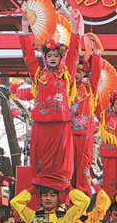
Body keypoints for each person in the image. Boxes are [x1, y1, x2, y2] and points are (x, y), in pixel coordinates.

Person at [19, 10, 81, 190]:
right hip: (41, 121)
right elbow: (28, 57)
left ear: (61, 58)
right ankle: (41, 186)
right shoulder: (38, 73)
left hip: (61, 122)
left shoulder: (67, 73)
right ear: (45, 58)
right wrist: (25, 29)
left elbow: (75, 54)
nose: (53, 58)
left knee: (60, 157)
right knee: (41, 157)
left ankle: (60, 186)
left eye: (56, 56)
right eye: (49, 56)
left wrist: (75, 26)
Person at [70, 47, 102, 193]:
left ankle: (83, 193)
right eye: (74, 71)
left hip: (85, 134)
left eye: (79, 71)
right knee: (66, 166)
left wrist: (96, 54)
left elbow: (96, 74)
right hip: (67, 134)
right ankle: (65, 194)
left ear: (83, 73)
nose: (76, 74)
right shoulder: (64, 86)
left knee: (84, 165)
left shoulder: (89, 87)